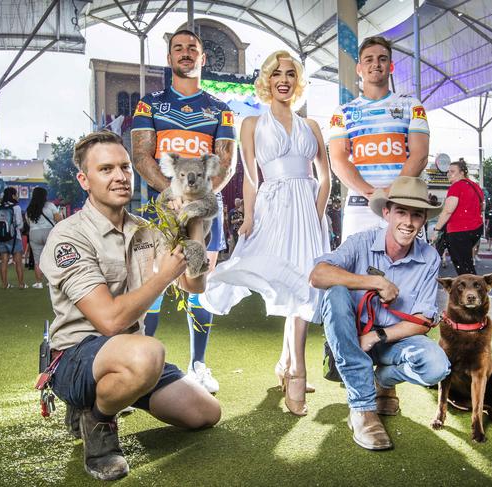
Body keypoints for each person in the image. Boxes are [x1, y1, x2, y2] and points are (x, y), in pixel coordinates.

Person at [40, 131, 220, 481]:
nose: (120, 176)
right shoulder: (69, 235)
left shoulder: (145, 229)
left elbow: (194, 283)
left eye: (124, 167)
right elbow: (109, 321)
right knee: (148, 352)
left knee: (205, 412)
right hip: (78, 356)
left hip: (129, 356)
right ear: (84, 180)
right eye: (106, 169)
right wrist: (161, 277)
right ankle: (97, 419)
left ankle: (116, 393)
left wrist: (194, 223)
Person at [199, 51, 331, 416]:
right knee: (283, 280)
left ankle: (290, 366)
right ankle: (295, 369)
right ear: (267, 81)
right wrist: (249, 216)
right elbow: (252, 178)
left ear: (297, 81)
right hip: (273, 208)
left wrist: (316, 216)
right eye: (277, 74)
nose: (284, 79)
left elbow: (326, 179)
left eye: (290, 74)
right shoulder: (251, 124)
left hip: (307, 210)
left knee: (304, 286)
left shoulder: (314, 127)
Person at [310, 176, 450, 450]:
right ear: (386, 212)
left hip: (389, 341)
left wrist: (376, 336)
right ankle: (362, 408)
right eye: (401, 212)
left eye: (416, 215)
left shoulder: (430, 257)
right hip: (352, 340)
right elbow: (317, 275)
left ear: (423, 220)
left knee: (437, 367)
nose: (408, 222)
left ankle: (382, 380)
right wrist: (375, 282)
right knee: (336, 291)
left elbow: (423, 321)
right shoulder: (361, 242)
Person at [131, 29, 237, 393]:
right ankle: (139, 367)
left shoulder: (220, 110)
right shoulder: (150, 104)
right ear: (170, 57)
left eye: (193, 48)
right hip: (161, 208)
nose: (186, 53)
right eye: (179, 48)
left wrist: (195, 202)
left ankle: (199, 366)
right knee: (153, 286)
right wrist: (172, 192)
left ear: (203, 58)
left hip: (205, 212)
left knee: (197, 286)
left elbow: (226, 163)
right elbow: (141, 156)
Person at [329, 36, 430, 241]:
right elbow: (338, 161)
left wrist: (390, 191)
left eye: (382, 59)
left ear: (391, 66)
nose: (376, 64)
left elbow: (420, 155)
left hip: (404, 202)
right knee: (357, 269)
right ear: (359, 68)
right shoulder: (343, 112)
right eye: (369, 59)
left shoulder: (412, 105)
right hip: (360, 205)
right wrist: (371, 193)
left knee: (409, 270)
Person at [432, 159, 484, 275]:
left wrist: (436, 230)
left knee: (463, 267)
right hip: (476, 229)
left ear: (462, 173)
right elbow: (482, 207)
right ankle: (474, 287)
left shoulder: (456, 186)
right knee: (467, 262)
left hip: (459, 230)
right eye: (448, 171)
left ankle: (473, 289)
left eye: (452, 171)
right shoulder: (476, 187)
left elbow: (448, 211)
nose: (449, 174)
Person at [26, 187, 63, 288]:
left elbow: (28, 223)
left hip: (34, 233)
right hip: (49, 232)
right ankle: (51, 282)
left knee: (37, 260)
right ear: (45, 195)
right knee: (51, 258)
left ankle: (39, 283)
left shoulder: (29, 208)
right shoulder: (50, 205)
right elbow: (59, 219)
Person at [0, 187, 27, 289]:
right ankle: (21, 284)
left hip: (1, 237)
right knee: (18, 261)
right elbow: (19, 224)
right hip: (15, 238)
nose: (17, 196)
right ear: (13, 195)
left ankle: (5, 284)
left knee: (4, 261)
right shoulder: (16, 208)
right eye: (16, 194)